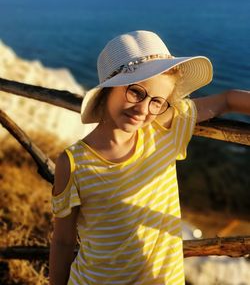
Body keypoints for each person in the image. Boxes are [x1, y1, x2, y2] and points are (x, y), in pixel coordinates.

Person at [49, 30, 250, 285]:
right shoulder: (73, 162)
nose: (144, 110)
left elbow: (227, 100)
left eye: (158, 101)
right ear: (107, 88)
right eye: (136, 92)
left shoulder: (163, 131)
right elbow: (64, 240)